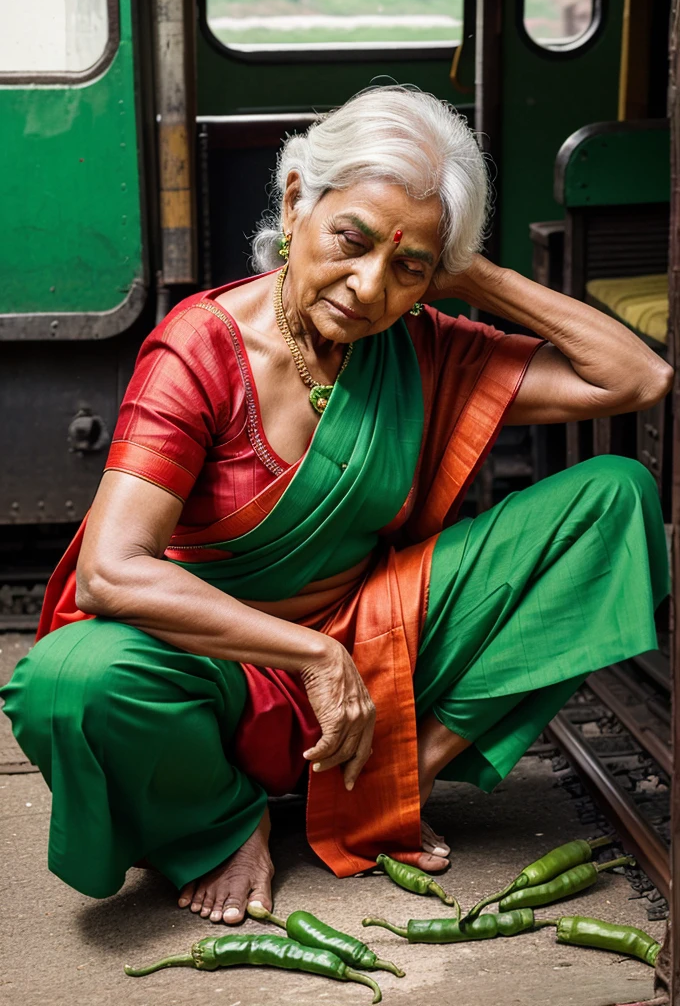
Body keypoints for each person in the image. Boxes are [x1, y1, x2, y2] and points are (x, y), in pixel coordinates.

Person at [2, 86, 672, 927]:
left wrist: (476, 276)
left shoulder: (422, 345)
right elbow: (109, 572)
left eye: (408, 267)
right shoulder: (201, 349)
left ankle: (389, 785)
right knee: (69, 683)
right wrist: (314, 660)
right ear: (294, 205)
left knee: (612, 499)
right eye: (350, 242)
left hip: (376, 631)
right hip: (215, 667)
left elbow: (638, 379)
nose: (366, 287)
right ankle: (217, 825)